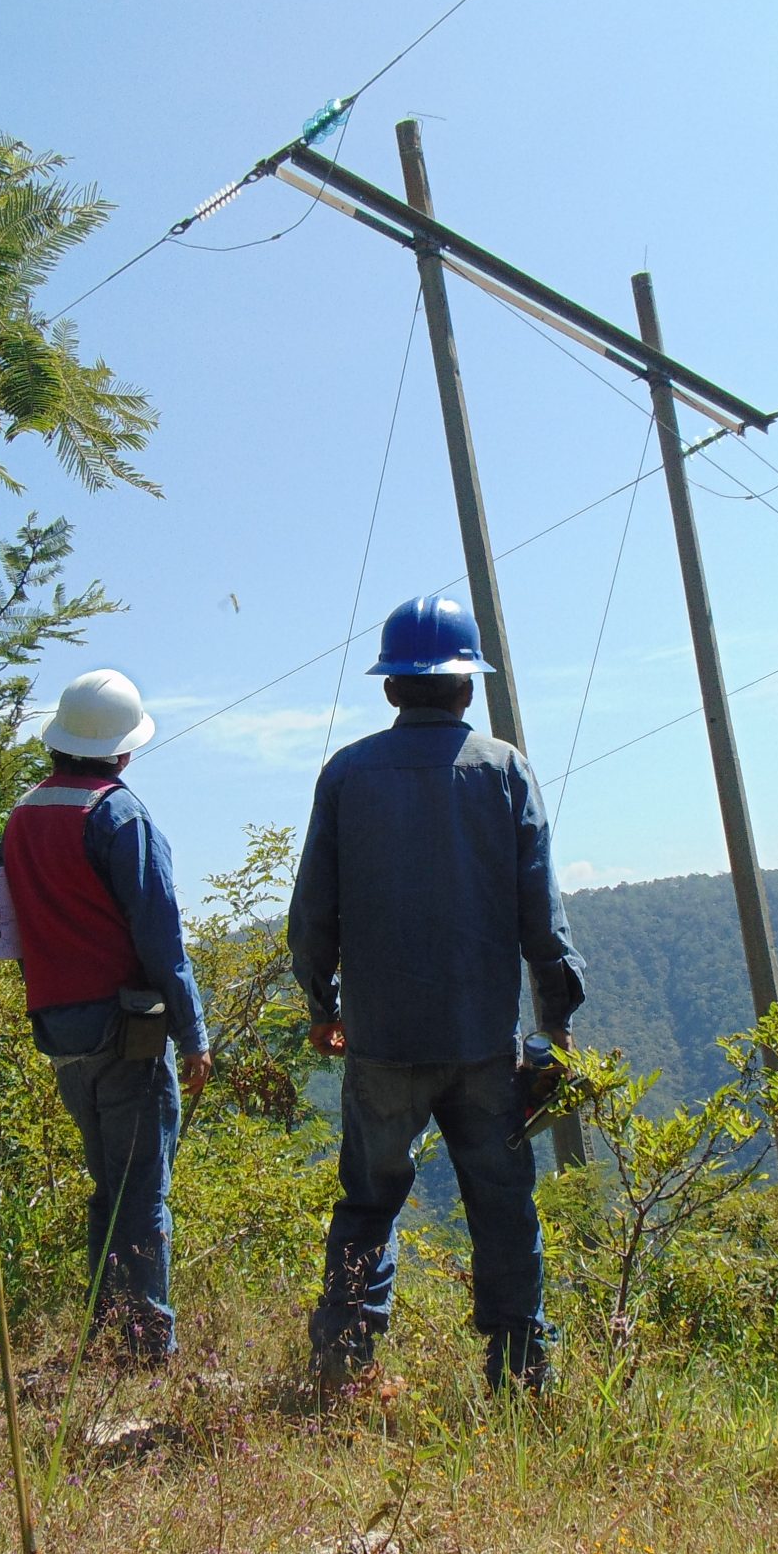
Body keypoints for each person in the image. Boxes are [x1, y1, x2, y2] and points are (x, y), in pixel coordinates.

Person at [287, 595, 586, 1396]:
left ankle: (343, 1367)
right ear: (468, 686)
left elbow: (312, 915)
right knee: (504, 1209)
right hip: (483, 1043)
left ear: (391, 687)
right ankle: (521, 1376)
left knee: (368, 1204)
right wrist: (555, 1024)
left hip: (382, 1043)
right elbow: (542, 918)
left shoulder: (347, 774)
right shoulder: (503, 770)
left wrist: (323, 1008)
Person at [0, 668, 211, 1361]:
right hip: (128, 1032)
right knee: (142, 1191)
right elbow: (161, 939)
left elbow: (7, 932)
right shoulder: (120, 816)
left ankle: (104, 1333)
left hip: (61, 1031)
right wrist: (194, 1034)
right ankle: (146, 1347)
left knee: (109, 1187)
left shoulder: (20, 818)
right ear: (123, 749)